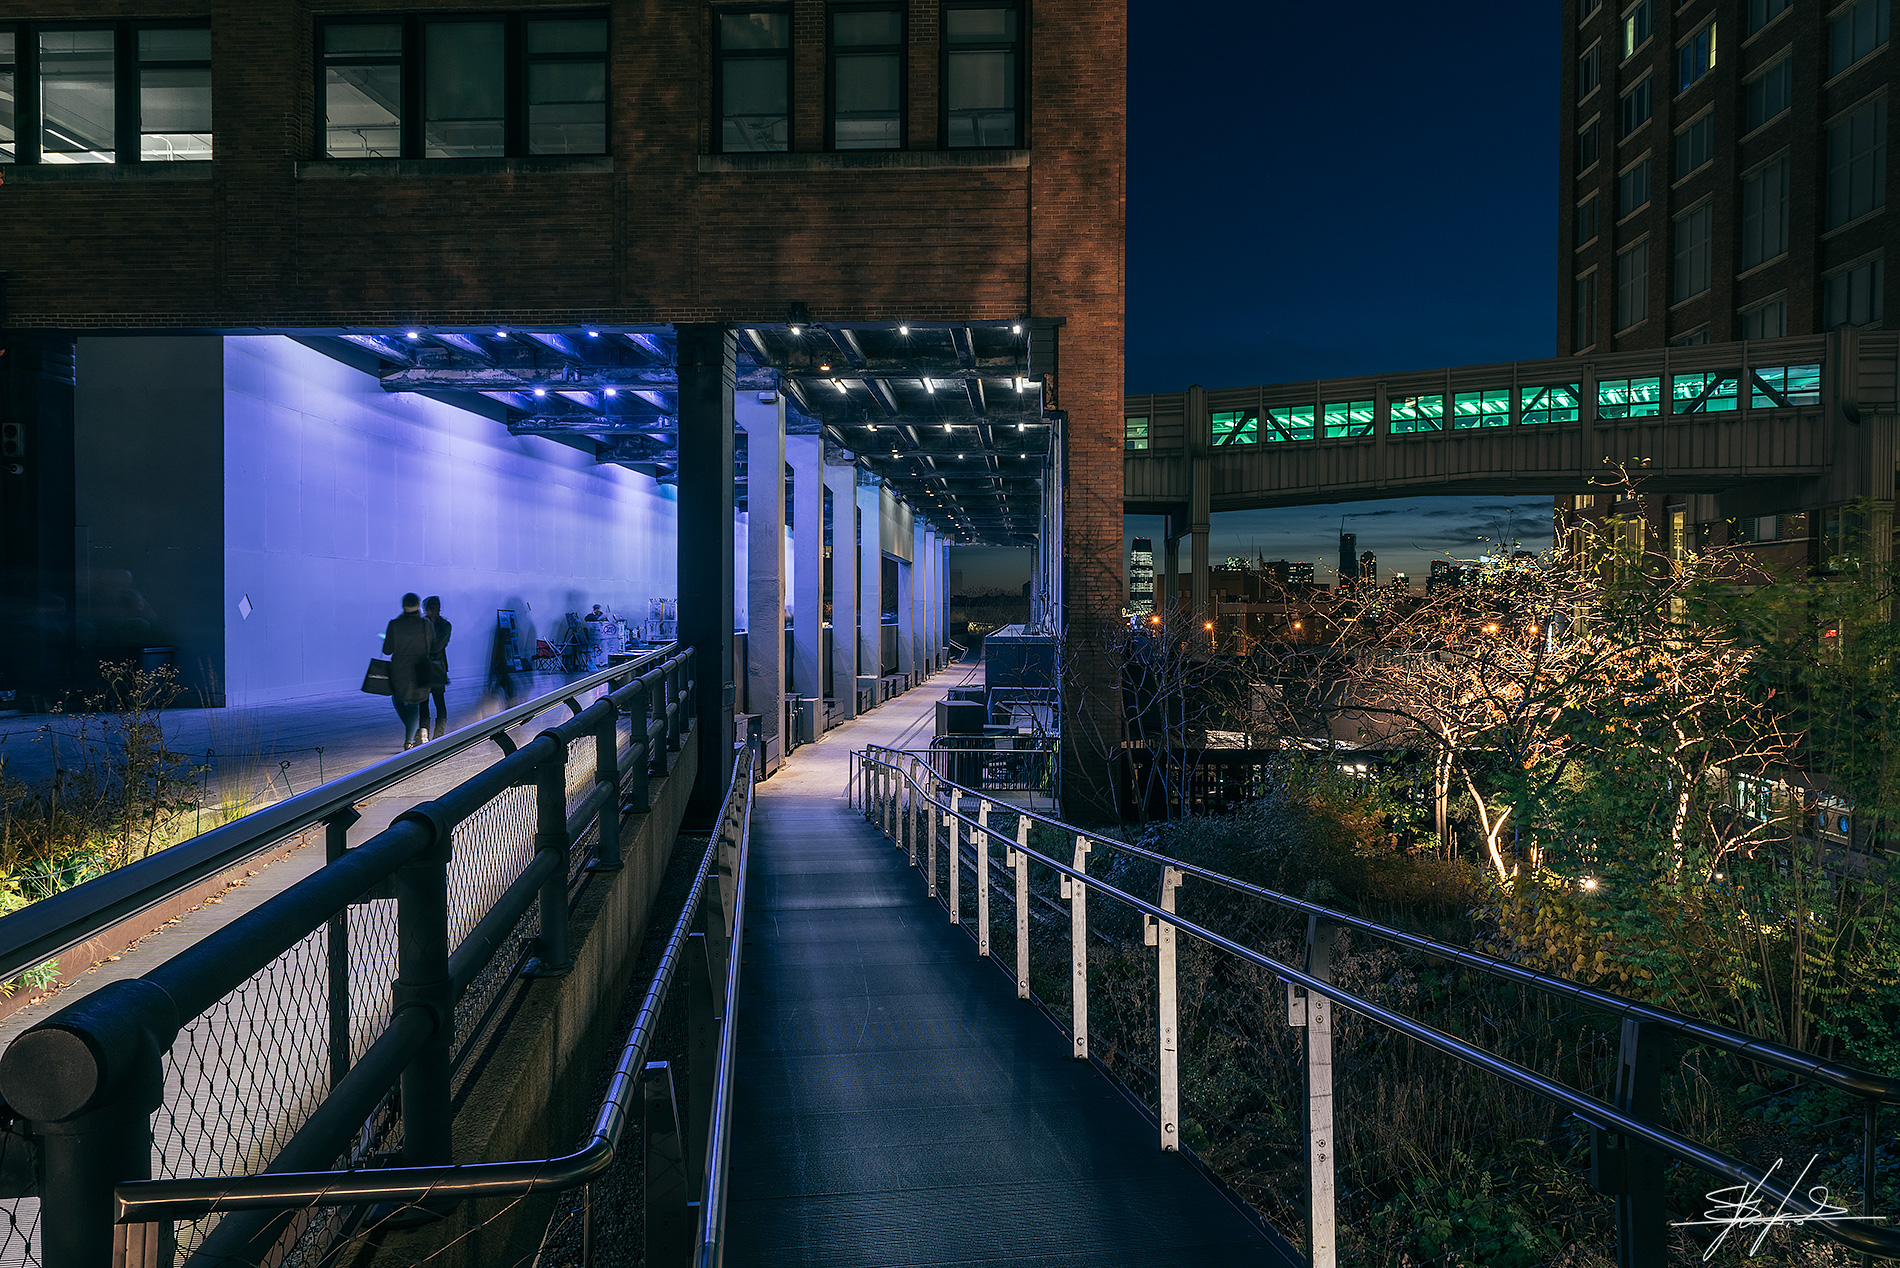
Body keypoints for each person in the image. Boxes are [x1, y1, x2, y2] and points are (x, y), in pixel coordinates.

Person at [383, 593, 435, 751]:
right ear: (418, 605)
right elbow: (433, 645)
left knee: (398, 700)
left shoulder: (395, 624)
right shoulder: (425, 624)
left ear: (403, 605)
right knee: (414, 703)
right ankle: (410, 739)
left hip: (399, 669)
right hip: (421, 667)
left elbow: (387, 650)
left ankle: (410, 737)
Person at [420, 596, 452, 738]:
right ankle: (424, 736)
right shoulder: (422, 624)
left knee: (439, 702)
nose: (436, 609)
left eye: (437, 606)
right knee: (423, 704)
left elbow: (437, 646)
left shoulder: (445, 625)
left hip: (437, 668)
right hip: (424, 668)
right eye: (432, 606)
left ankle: (439, 736)